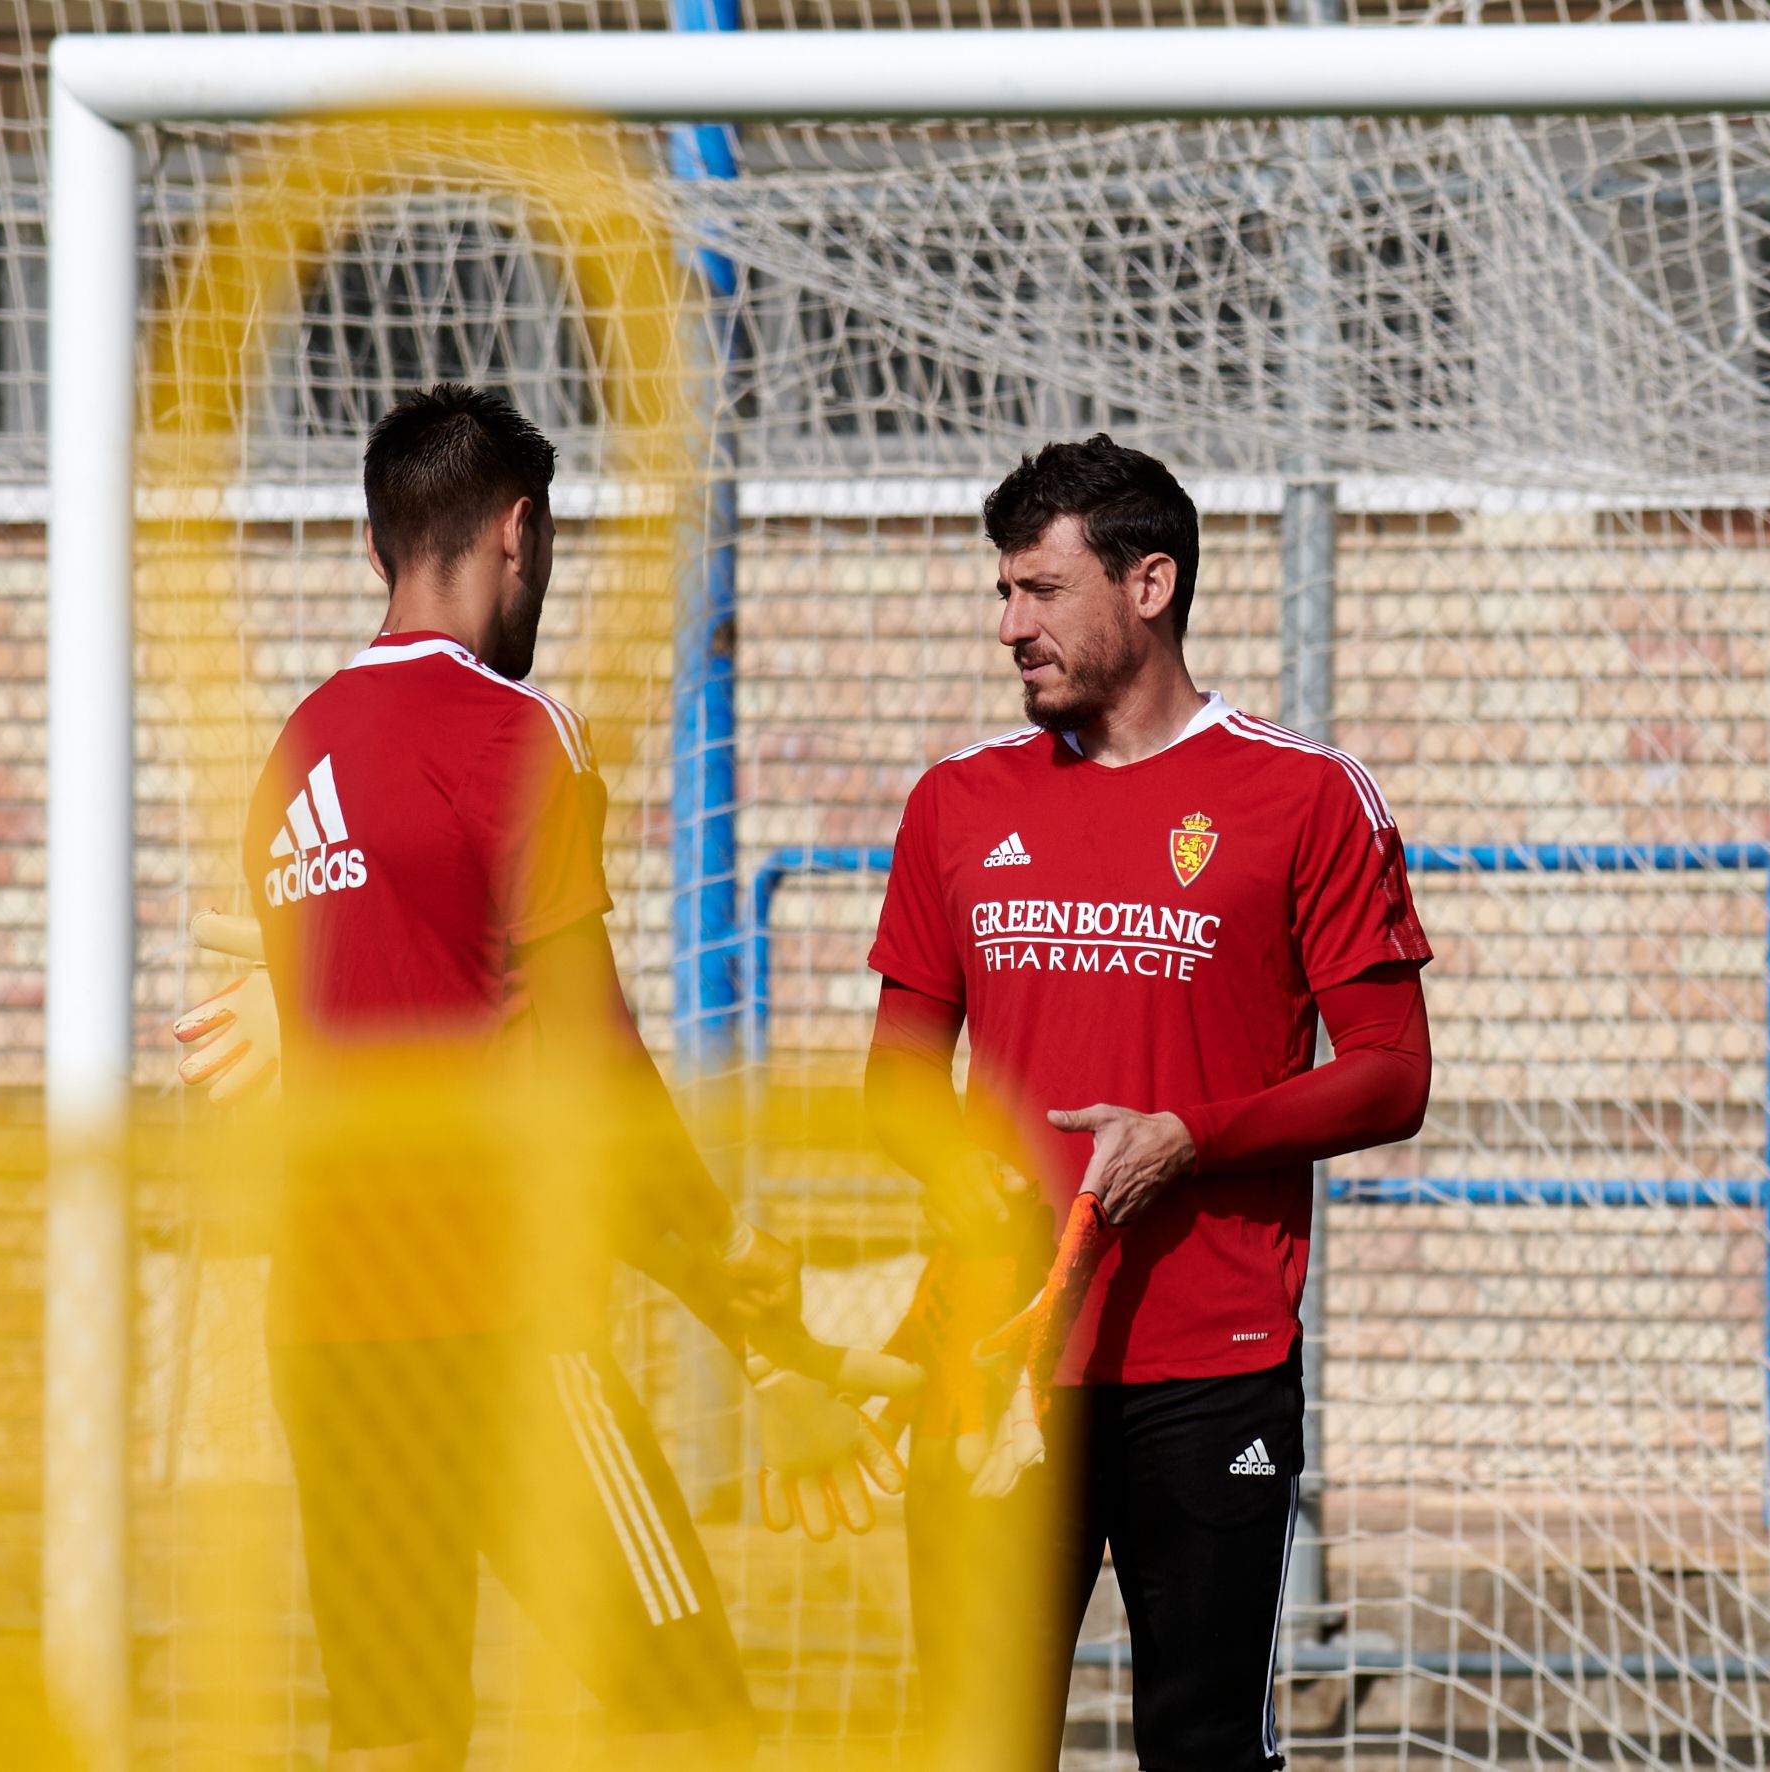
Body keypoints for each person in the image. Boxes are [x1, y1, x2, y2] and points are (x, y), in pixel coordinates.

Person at [176, 382, 909, 1772]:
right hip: (496, 1320)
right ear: (519, 533)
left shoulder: (295, 751)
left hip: (325, 1323)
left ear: (378, 544)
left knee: (391, 1730)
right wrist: (752, 1309)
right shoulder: (517, 733)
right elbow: (589, 1058)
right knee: (690, 1709)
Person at [864, 434, 1433, 1770]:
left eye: (1041, 591)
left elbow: (1389, 1071)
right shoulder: (955, 798)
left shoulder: (1302, 795)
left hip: (1208, 1363)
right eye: (1002, 593)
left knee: (1198, 1744)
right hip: (990, 1362)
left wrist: (1190, 1140)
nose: (1010, 626)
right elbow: (894, 1082)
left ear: (1150, 583)